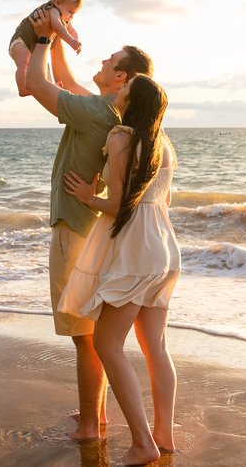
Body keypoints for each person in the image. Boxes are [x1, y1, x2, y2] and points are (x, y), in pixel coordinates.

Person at [24, 10, 153, 443]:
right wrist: (58, 37)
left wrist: (41, 40)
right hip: (92, 229)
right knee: (89, 331)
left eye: (109, 60)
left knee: (83, 334)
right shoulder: (105, 113)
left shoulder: (96, 114)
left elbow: (39, 85)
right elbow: (63, 77)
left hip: (73, 227)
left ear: (123, 77)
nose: (101, 62)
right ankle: (92, 415)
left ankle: (89, 425)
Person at [58, 74, 179, 465]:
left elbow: (120, 205)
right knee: (155, 347)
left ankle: (143, 445)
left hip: (134, 251)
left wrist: (88, 196)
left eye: (124, 89)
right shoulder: (163, 143)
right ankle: (163, 436)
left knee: (107, 345)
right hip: (163, 248)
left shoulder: (121, 137)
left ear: (133, 100)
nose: (117, 92)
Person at [9, 0, 83, 96]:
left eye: (74, 14)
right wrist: (71, 42)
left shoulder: (64, 17)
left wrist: (76, 40)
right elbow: (58, 28)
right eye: (70, 12)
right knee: (23, 63)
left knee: (44, 66)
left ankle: (50, 86)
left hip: (35, 47)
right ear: (58, 2)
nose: (71, 17)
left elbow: (71, 31)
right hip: (21, 42)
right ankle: (22, 89)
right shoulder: (52, 10)